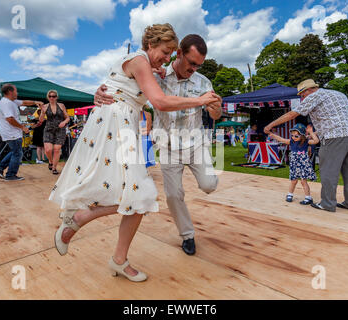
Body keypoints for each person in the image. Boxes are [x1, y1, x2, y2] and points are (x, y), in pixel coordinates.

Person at [50, 24, 220, 282]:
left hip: (129, 126)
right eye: (166, 51)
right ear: (151, 44)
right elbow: (159, 101)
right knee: (142, 194)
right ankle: (81, 220)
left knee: (138, 196)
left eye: (170, 53)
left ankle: (117, 258)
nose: (167, 57)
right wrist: (200, 100)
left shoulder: (150, 68)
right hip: (118, 127)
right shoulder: (142, 62)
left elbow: (117, 82)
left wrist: (102, 89)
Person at [94, 34, 222, 256]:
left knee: (209, 185)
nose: (194, 69)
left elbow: (216, 113)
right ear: (179, 53)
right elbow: (126, 83)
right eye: (191, 63)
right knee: (173, 195)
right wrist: (101, 92)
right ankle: (187, 235)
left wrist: (215, 108)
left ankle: (208, 175)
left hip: (195, 144)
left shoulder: (203, 83)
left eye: (198, 65)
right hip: (169, 145)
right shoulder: (157, 75)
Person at [264, 79, 348, 212]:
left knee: (328, 171)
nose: (302, 98)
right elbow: (334, 117)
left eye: (302, 95)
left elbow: (293, 114)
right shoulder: (338, 94)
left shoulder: (315, 95)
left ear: (308, 90)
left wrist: (270, 125)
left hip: (334, 137)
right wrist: (314, 132)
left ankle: (327, 203)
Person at [0, 84, 43, 181]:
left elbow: (24, 102)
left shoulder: (12, 101)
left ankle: (0, 167)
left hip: (11, 132)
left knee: (16, 151)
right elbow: (10, 119)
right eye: (15, 91)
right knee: (18, 153)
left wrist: (35, 102)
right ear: (10, 92)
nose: (17, 93)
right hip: (11, 132)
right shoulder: (6, 103)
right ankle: (10, 174)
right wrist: (22, 127)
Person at [268, 123, 319, 204]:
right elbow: (282, 139)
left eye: (296, 136)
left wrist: (311, 133)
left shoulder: (306, 141)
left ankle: (308, 198)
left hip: (303, 164)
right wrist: (273, 135)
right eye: (292, 135)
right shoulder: (291, 141)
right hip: (294, 164)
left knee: (303, 181)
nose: (293, 137)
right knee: (293, 181)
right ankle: (290, 194)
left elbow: (316, 141)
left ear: (302, 135)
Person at [38, 90, 70, 174]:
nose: (52, 98)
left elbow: (68, 118)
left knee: (56, 149)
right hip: (48, 129)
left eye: (54, 96)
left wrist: (64, 122)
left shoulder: (61, 105)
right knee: (48, 149)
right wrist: (42, 111)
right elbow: (41, 120)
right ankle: (50, 161)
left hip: (60, 130)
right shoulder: (45, 106)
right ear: (48, 97)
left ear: (56, 97)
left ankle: (54, 168)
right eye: (50, 96)